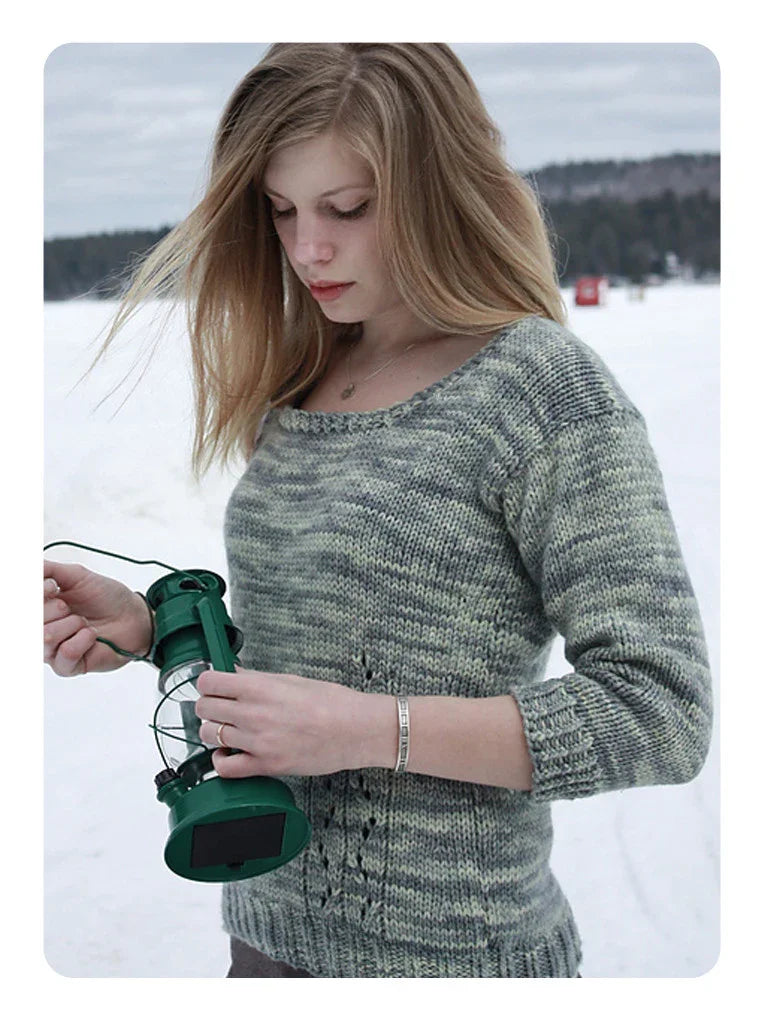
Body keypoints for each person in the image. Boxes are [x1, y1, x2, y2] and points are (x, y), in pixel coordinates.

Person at [43, 43, 713, 979]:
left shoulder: (542, 394)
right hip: (265, 934)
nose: (308, 248)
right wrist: (160, 631)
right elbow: (328, 644)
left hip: (450, 964)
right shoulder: (306, 378)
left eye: (348, 209)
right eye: (281, 211)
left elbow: (660, 712)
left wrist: (372, 731)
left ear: (440, 189)